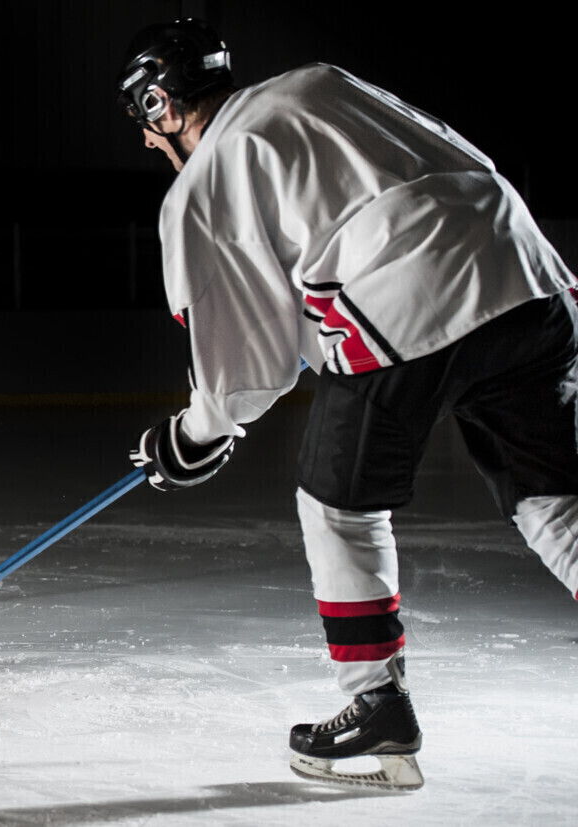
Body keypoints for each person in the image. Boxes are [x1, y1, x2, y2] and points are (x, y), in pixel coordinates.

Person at [118, 19, 578, 790]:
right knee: (556, 499)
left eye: (145, 121)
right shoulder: (319, 82)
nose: (146, 142)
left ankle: (376, 707)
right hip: (525, 265)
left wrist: (191, 436)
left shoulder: (202, 182)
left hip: (406, 287)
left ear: (162, 105)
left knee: (337, 501)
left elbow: (248, 373)